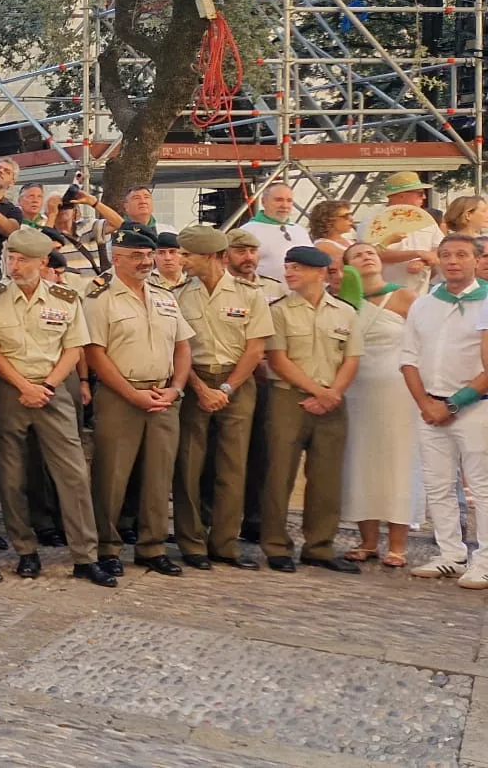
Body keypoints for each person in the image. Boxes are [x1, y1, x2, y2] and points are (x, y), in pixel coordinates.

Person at [0, 227, 112, 585]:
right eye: (11, 257)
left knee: (72, 474)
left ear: (42, 262)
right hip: (11, 390)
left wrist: (48, 386)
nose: (14, 264)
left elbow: (74, 348)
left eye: (22, 259)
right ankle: (25, 550)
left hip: (53, 391)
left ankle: (85, 555)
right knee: (11, 476)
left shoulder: (66, 298)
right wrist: (24, 386)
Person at [84, 226, 193, 578]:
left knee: (158, 477)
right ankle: (107, 547)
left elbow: (182, 344)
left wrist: (176, 388)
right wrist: (131, 394)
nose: (146, 262)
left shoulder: (164, 295)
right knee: (111, 477)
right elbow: (95, 353)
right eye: (137, 256)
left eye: (149, 256)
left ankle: (153, 547)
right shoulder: (101, 298)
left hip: (163, 396)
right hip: (120, 397)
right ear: (117, 258)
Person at [171, 225, 274, 571]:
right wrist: (200, 388)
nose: (181, 260)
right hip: (192, 379)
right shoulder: (178, 294)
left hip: (237, 382)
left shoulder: (249, 295)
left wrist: (227, 388)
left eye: (188, 255)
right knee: (188, 464)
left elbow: (255, 347)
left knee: (233, 466)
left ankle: (225, 543)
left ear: (213, 257)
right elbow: (177, 347)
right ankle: (191, 541)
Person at [259, 245, 362, 573]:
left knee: (327, 477)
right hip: (290, 398)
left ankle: (320, 546)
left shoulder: (344, 311)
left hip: (333, 399)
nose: (289, 272)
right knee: (279, 474)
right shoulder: (278, 310)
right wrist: (319, 392)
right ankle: (276, 545)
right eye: (288, 266)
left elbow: (352, 358)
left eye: (298, 268)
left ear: (320, 273)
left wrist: (332, 394)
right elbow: (277, 359)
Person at [402, 236, 488, 584]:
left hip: (474, 406)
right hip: (430, 405)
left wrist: (455, 403)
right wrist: (426, 403)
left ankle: (484, 558)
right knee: (438, 483)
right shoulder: (423, 304)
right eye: (446, 255)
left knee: (481, 486)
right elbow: (409, 357)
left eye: (462, 255)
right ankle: (450, 552)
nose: (453, 261)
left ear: (476, 259)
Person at [339, 242, 420, 567]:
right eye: (357, 255)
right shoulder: (345, 302)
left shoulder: (404, 296)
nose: (366, 256)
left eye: (370, 252)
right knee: (360, 460)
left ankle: (398, 543)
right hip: (357, 389)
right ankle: (367, 539)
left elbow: (419, 342)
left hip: (398, 390)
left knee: (398, 462)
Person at [367, 171, 442, 292]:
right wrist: (417, 254)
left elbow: (440, 247)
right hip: (384, 296)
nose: (424, 197)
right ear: (402, 196)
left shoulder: (426, 219)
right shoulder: (373, 221)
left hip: (419, 296)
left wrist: (422, 261)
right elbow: (373, 254)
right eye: (420, 193)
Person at [243, 182, 310, 281]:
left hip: (301, 294)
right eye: (278, 200)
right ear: (263, 201)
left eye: (289, 200)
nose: (285, 205)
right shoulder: (247, 232)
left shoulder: (299, 230)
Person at [309, 199, 357, 263]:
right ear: (329, 220)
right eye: (346, 216)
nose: (351, 219)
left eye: (351, 215)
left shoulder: (350, 241)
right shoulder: (322, 245)